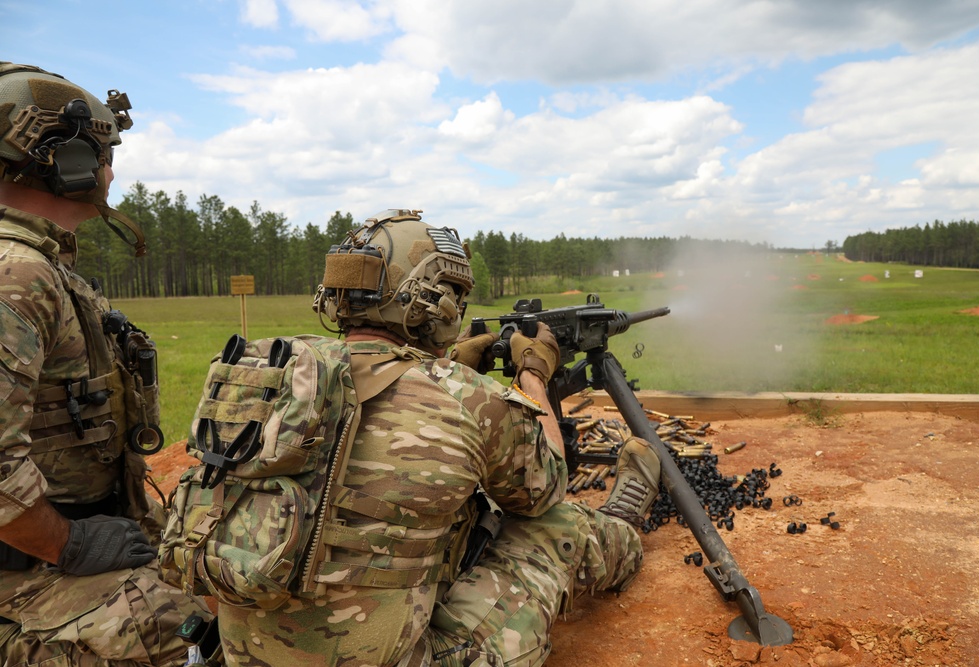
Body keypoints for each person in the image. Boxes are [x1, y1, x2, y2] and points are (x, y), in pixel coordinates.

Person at [214, 208, 663, 666]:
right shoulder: (464, 396)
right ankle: (623, 529)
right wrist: (533, 375)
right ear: (435, 302)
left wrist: (448, 366)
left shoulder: (265, 376)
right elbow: (545, 487)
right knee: (557, 526)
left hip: (248, 652)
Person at [0, 62, 214, 666]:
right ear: (63, 161)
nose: (110, 170)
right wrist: (66, 543)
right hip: (28, 573)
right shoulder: (18, 275)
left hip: (49, 545)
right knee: (211, 634)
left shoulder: (43, 266)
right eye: (102, 153)